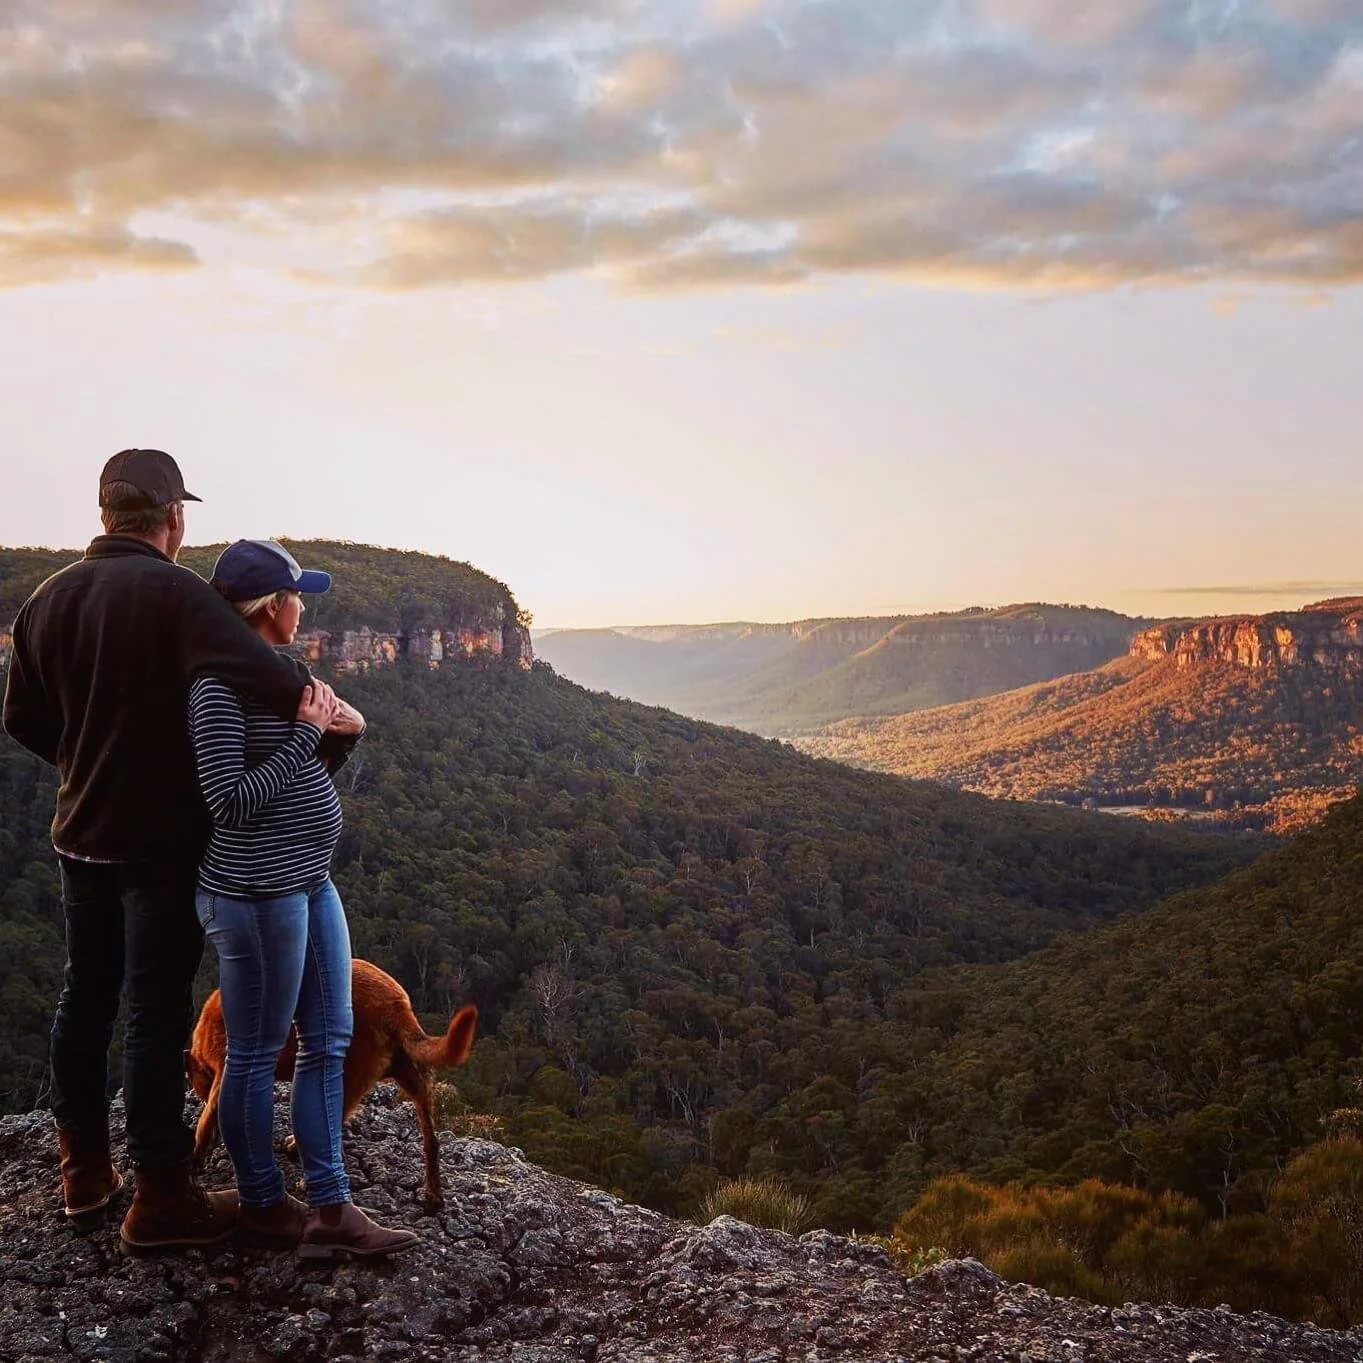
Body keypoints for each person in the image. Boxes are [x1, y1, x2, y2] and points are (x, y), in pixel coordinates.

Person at [1, 450, 308, 1250]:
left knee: (85, 994)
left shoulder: (45, 597)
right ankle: (161, 1195)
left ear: (106, 515)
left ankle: (83, 1170)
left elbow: (22, 720)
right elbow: (270, 678)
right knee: (155, 1009)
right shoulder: (178, 593)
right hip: (161, 842)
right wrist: (320, 720)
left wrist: (83, 761)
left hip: (80, 833)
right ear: (174, 519)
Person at [191, 539, 417, 1258]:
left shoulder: (284, 673)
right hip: (255, 893)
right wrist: (307, 734)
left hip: (312, 880)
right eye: (296, 596)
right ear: (268, 606)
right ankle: (261, 1202)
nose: (304, 607)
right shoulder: (217, 687)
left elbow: (303, 765)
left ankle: (329, 1207)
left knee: (330, 1039)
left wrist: (341, 735)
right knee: (256, 1054)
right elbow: (227, 801)